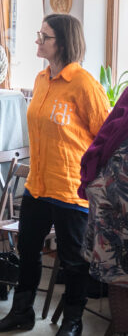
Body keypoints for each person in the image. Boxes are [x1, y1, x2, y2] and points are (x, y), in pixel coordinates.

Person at [0, 14, 110, 336]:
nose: (37, 40)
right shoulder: (41, 79)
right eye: (38, 34)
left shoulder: (84, 84)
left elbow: (105, 138)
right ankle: (21, 312)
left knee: (73, 261)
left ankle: (72, 322)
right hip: (37, 186)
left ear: (63, 43)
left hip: (70, 188)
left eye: (45, 36)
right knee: (27, 251)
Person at [80, 87, 128, 334]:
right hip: (114, 203)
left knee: (117, 273)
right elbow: (108, 135)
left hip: (112, 198)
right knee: (117, 274)